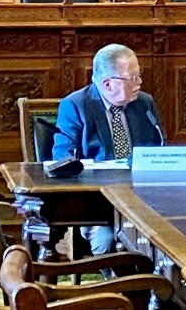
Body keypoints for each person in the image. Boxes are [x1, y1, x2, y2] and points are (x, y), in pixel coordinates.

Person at [52, 43, 164, 252]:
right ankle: (119, 283)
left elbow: (156, 148)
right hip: (97, 203)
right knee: (106, 240)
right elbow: (63, 159)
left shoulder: (144, 103)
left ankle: (154, 282)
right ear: (107, 84)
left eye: (139, 75)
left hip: (142, 199)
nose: (139, 82)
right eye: (132, 78)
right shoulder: (76, 105)